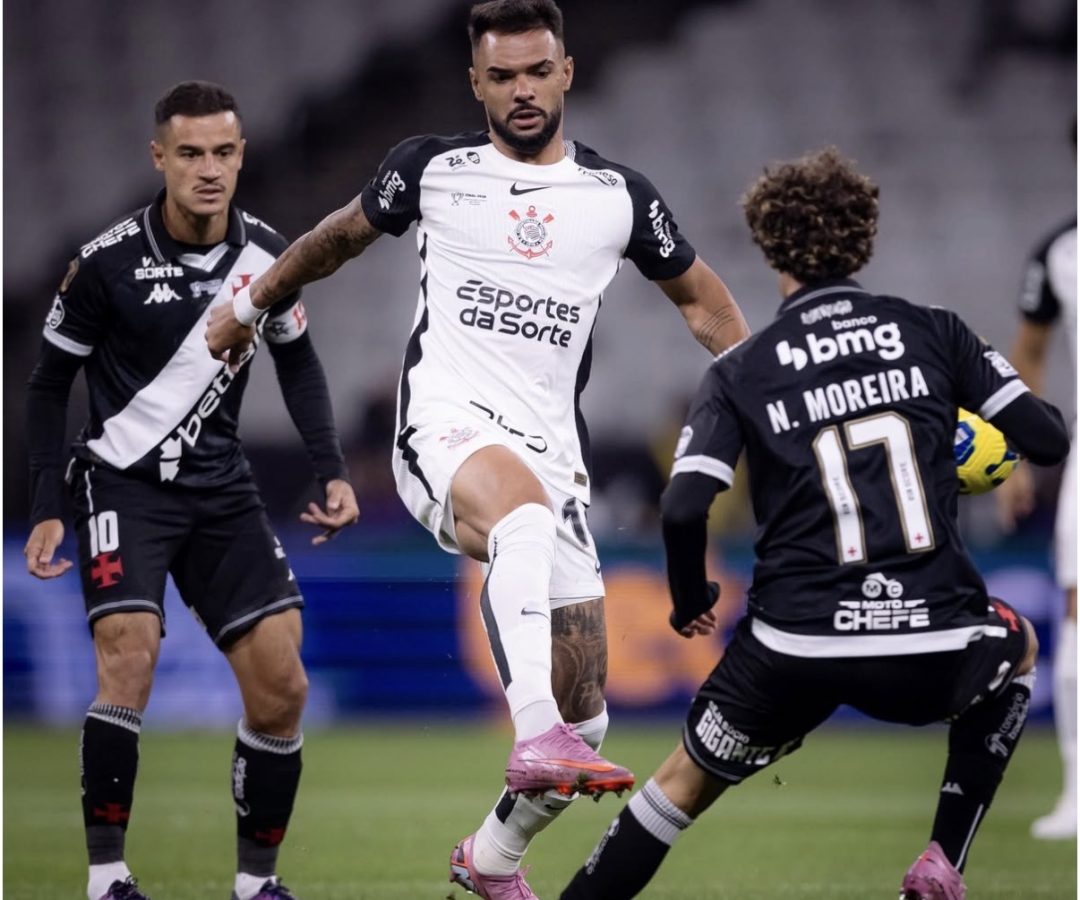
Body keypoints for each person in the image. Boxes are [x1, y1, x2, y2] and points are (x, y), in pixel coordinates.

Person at [206, 2, 749, 896]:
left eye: (536, 71)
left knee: (589, 717)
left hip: (555, 459)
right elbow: (335, 240)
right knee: (521, 534)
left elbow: (704, 303)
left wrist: (766, 392)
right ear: (475, 83)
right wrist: (249, 305)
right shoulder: (432, 169)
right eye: (502, 77)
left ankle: (491, 859)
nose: (522, 90)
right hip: (446, 428)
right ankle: (531, 732)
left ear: (566, 71)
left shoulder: (619, 198)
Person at [559, 147, 1071, 900]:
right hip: (931, 638)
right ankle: (943, 858)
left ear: (770, 248)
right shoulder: (935, 333)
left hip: (794, 645)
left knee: (678, 788)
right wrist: (955, 434)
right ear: (864, 237)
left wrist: (690, 596)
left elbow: (684, 505)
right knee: (1018, 646)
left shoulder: (743, 368)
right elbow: (1049, 438)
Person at [24, 81, 359, 900]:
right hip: (121, 486)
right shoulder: (105, 263)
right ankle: (107, 879)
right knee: (129, 657)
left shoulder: (269, 258)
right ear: (159, 158)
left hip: (220, 489)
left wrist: (331, 469)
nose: (208, 170)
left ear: (241, 156)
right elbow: (47, 384)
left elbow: (299, 363)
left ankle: (255, 884)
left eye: (222, 153)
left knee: (283, 687)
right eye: (190, 154)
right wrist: (44, 506)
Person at [994, 200, 1076, 840]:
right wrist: (1016, 455)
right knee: (1076, 624)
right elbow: (1029, 351)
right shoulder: (1059, 252)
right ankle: (1079, 793)